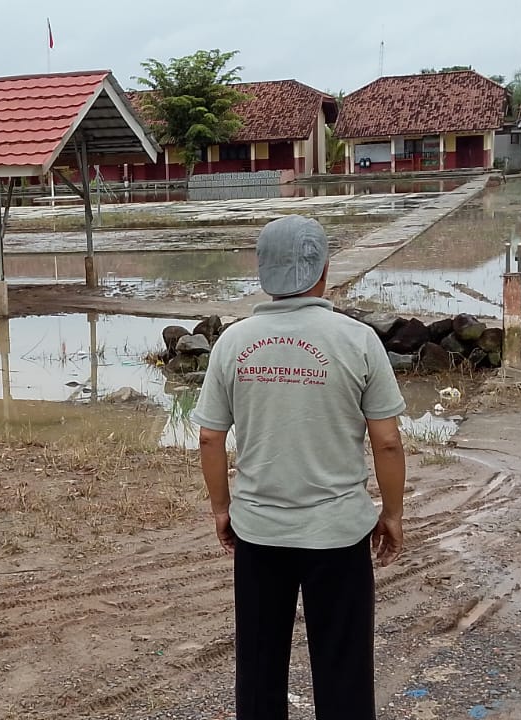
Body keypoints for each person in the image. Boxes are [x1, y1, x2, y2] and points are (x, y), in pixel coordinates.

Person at [192, 215, 408, 719]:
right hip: (337, 532)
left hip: (259, 530)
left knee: (259, 667)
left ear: (262, 271)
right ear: (324, 271)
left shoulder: (233, 341)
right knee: (343, 667)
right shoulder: (356, 340)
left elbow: (209, 435)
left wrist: (221, 508)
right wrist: (392, 514)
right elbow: (388, 442)